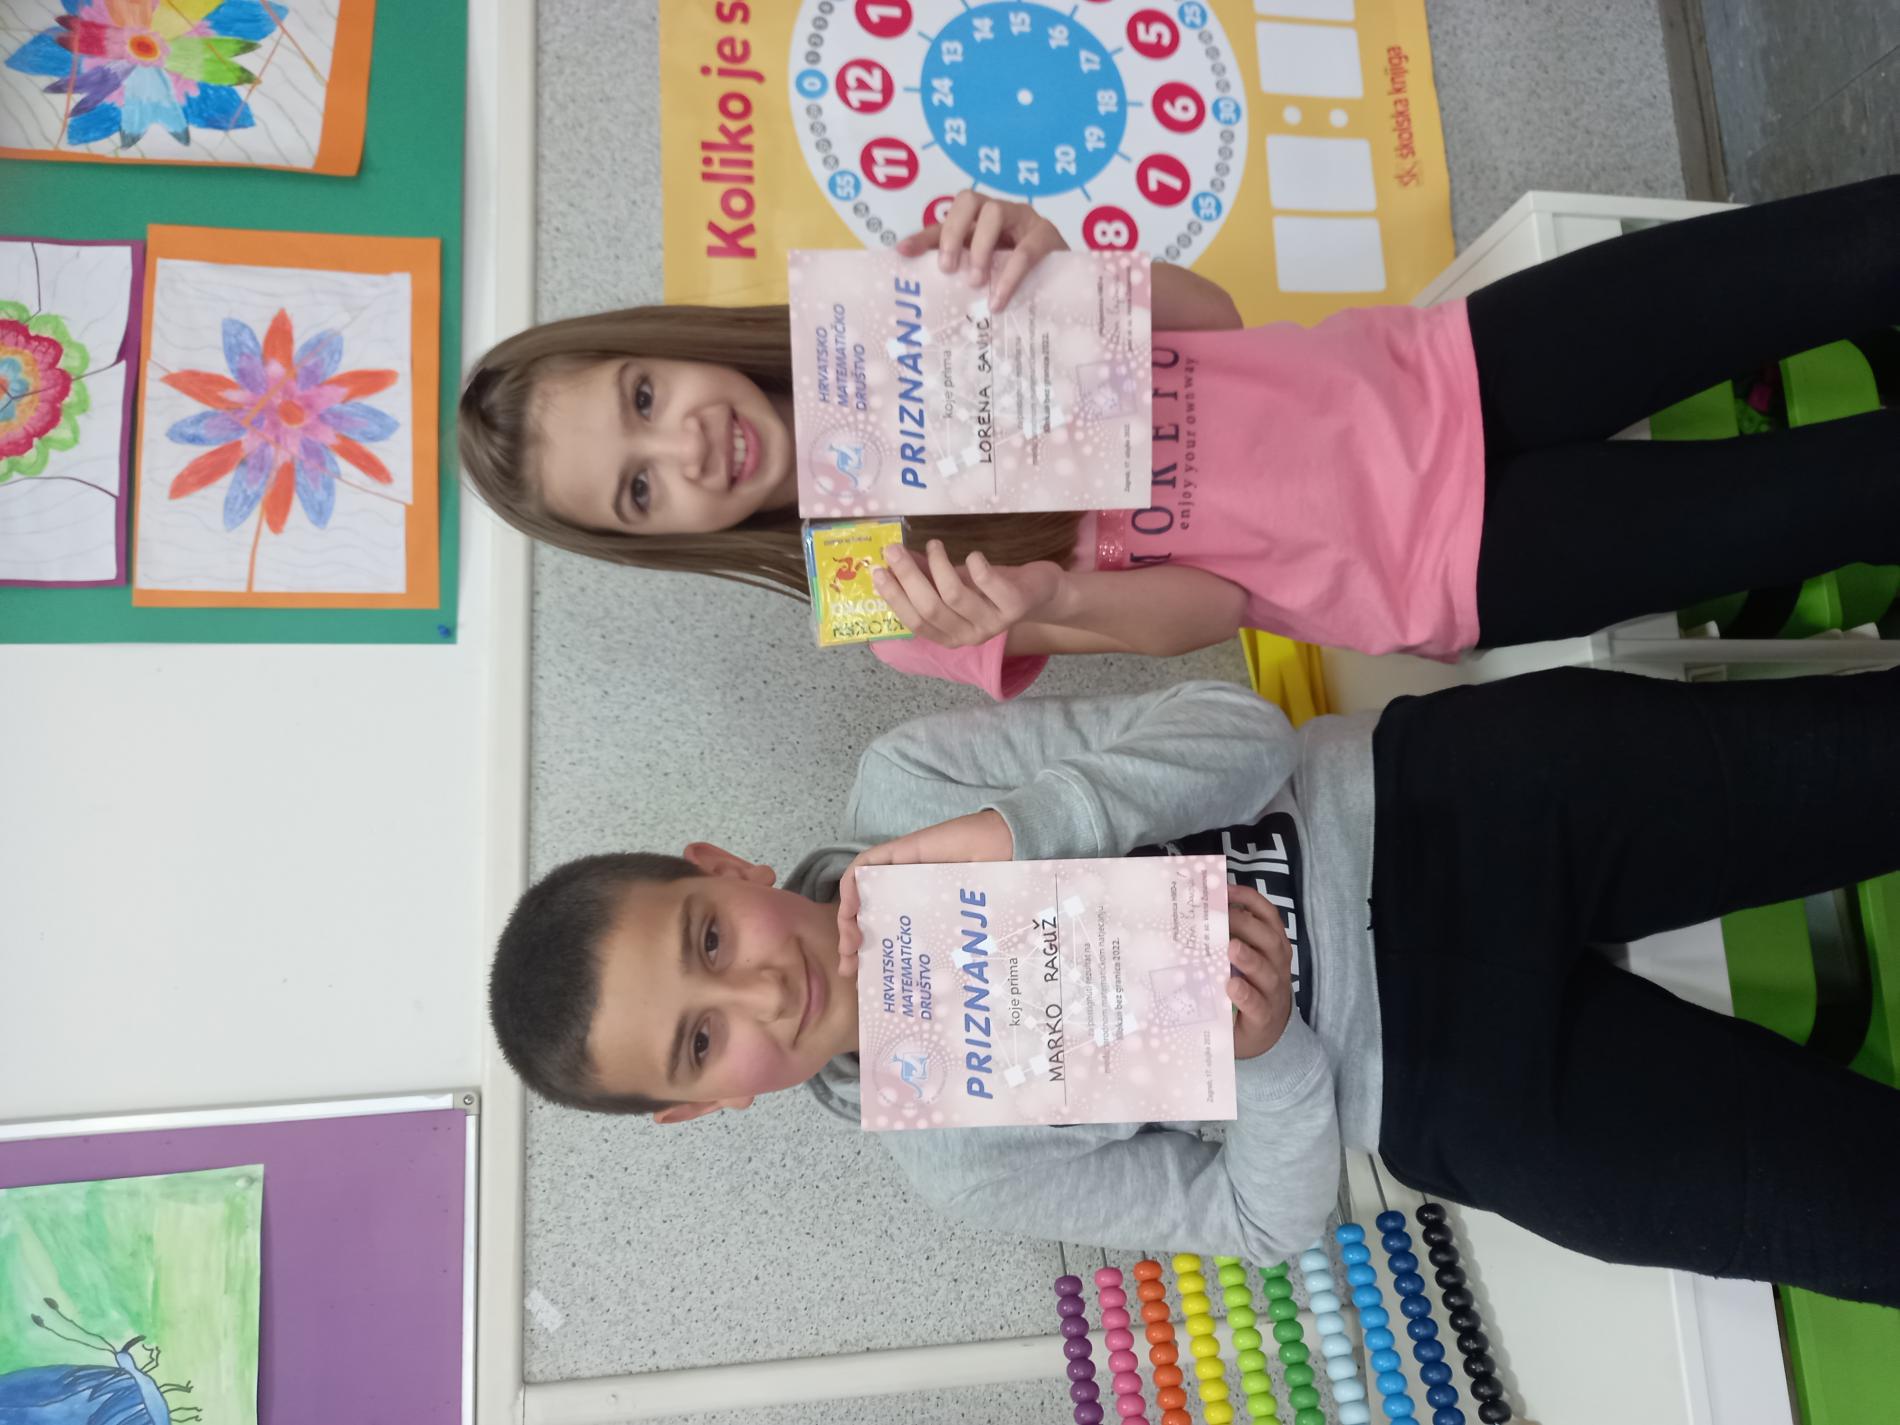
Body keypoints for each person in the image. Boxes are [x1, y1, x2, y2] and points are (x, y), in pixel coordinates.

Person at [488, 666, 1900, 1308]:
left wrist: (1023, 832)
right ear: (703, 1108)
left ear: (723, 867)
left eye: (709, 938)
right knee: (1853, 1216)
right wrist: (1271, 1058)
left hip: (1456, 807)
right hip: (1456, 1090)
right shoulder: (955, 1164)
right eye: (699, 1043)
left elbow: (1242, 727)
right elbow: (1261, 1222)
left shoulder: (905, 781)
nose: (759, 993)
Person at [460, 177, 1900, 700]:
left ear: (668, 347)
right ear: (666, 540)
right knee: (1845, 489)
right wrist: (1048, 594)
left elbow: (1218, 318)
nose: (683, 449)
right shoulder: (887, 598)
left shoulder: (898, 299)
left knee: (1823, 258)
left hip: (1447, 364)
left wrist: (1060, 259)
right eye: (637, 493)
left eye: (640, 397)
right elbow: (1212, 610)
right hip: (1458, 565)